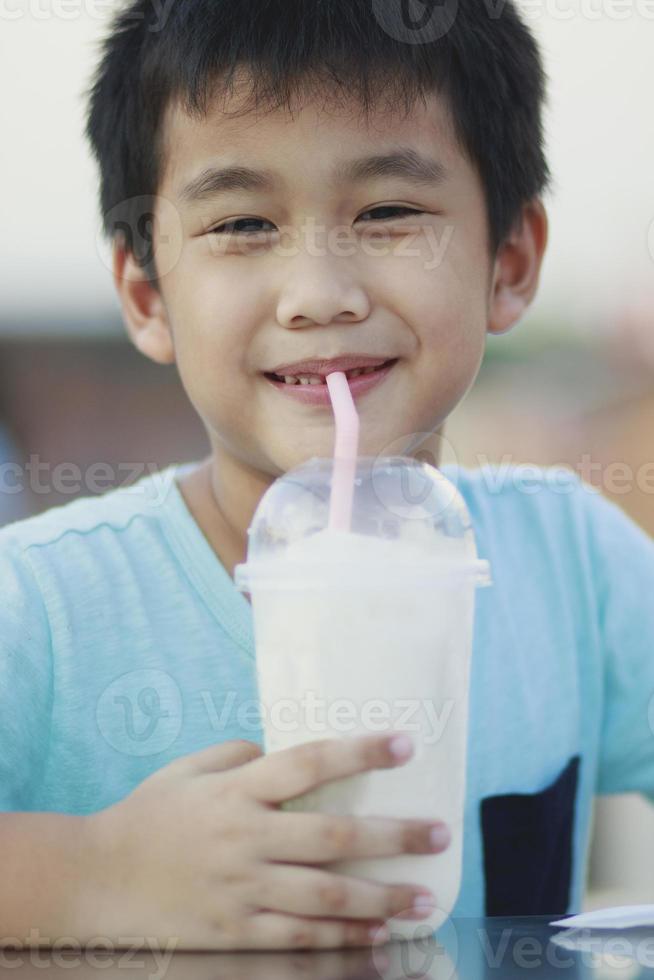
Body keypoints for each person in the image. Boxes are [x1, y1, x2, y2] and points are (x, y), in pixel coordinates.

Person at [1, 0, 653, 954]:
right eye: (243, 223)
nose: (320, 295)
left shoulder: (574, 564)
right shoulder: (42, 606)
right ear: (148, 297)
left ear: (508, 262)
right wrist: (92, 873)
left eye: (388, 212)